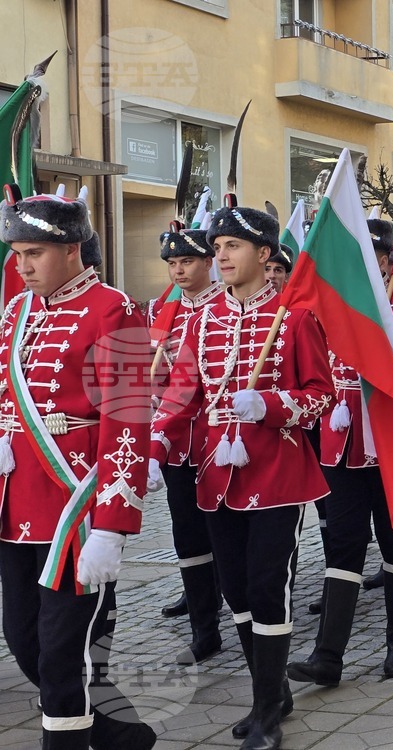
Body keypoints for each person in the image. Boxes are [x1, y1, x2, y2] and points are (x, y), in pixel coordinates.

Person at [151, 200, 335, 748]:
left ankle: (266, 712)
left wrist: (273, 405)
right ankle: (272, 687)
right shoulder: (203, 318)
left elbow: (321, 397)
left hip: (276, 473)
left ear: (263, 252)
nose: (220, 255)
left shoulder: (295, 317)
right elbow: (184, 389)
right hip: (216, 475)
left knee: (267, 587)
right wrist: (157, 436)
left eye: (232, 247)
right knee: (235, 590)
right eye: (218, 247)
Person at [0, 188, 155, 749]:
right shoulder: (17, 312)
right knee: (23, 639)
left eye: (32, 253)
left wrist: (113, 524)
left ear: (71, 249)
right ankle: (119, 736)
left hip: (78, 508)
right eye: (16, 254)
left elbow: (130, 421)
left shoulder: (116, 309)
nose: (21, 267)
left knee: (63, 653)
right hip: (16, 503)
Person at [287, 218, 393, 686]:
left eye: (367, 256)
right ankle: (328, 655)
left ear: (383, 259)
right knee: (343, 545)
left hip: (391, 445)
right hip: (341, 447)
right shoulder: (325, 305)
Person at [149, 226, 226, 666]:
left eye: (188, 262)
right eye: (172, 264)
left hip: (219, 437)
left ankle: (244, 612)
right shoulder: (164, 308)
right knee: (187, 536)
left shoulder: (224, 305)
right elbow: (152, 365)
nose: (178, 270)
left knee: (224, 534)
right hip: (175, 441)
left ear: (208, 262)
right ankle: (204, 627)